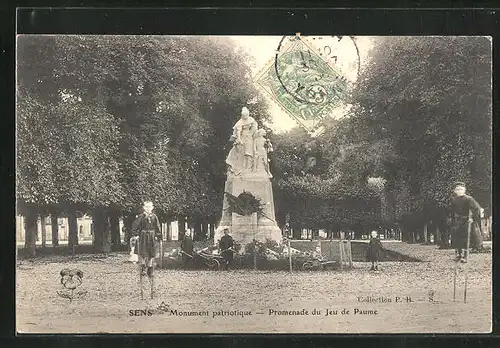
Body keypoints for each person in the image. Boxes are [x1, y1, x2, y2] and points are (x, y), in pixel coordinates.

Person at [448, 182, 485, 263]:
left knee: (466, 238)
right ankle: (458, 254)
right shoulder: (454, 200)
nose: (459, 191)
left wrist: (472, 218)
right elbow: (452, 211)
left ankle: (465, 256)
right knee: (457, 238)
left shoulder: (469, 198)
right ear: (454, 190)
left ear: (464, 190)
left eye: (461, 189)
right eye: (457, 189)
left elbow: (476, 209)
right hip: (457, 221)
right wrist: (452, 219)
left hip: (467, 221)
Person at [132, 201, 163, 278]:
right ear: (144, 207)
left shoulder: (154, 217)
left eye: (150, 207)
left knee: (152, 253)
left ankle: (150, 268)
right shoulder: (141, 216)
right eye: (146, 207)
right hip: (143, 236)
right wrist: (136, 235)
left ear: (152, 207)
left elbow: (157, 227)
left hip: (152, 236)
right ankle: (143, 268)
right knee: (142, 252)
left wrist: (158, 235)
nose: (148, 208)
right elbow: (135, 226)